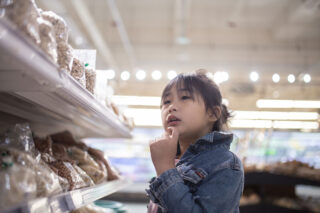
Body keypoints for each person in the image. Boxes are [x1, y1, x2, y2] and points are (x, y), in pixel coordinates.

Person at [146, 70, 244, 213]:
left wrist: (165, 169)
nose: (171, 107)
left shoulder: (225, 163)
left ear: (212, 113)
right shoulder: (174, 160)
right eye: (166, 102)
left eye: (184, 97)